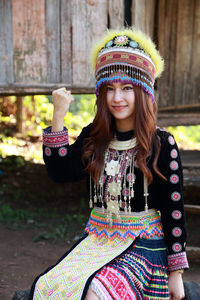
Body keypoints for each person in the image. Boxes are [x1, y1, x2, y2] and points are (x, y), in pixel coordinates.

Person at [29, 28, 189, 300]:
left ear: (144, 91)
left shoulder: (161, 143)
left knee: (96, 293)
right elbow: (60, 173)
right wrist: (58, 117)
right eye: (110, 89)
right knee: (49, 286)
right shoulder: (95, 136)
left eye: (127, 88)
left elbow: (173, 208)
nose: (117, 98)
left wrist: (176, 274)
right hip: (97, 241)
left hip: (144, 246)